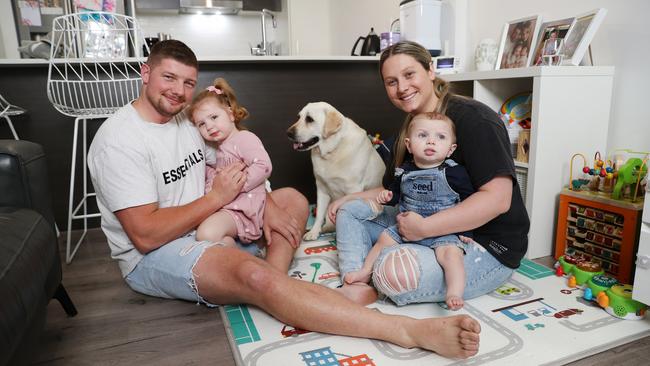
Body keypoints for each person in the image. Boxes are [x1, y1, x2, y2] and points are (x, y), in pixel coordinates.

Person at [87, 39, 481, 359]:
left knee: (291, 199)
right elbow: (145, 236)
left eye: (188, 83)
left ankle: (275, 286)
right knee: (252, 275)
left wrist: (268, 205)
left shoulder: (187, 122)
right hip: (159, 252)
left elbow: (240, 168)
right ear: (145, 73)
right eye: (168, 78)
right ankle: (407, 330)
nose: (178, 91)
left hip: (217, 220)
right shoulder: (120, 141)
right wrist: (219, 199)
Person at [329, 40, 530, 308]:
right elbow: (397, 189)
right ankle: (353, 283)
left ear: (430, 71)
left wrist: (424, 229)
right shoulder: (410, 130)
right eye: (391, 82)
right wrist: (350, 198)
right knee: (351, 211)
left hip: (480, 244)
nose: (402, 88)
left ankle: (389, 269)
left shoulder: (476, 119)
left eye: (409, 74)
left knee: (395, 272)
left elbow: (498, 199)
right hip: (417, 222)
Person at [344, 112, 474, 310]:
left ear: (451, 149)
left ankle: (454, 292)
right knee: (383, 241)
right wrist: (388, 197)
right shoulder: (404, 170)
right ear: (409, 144)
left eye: (440, 137)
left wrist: (466, 231)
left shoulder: (455, 173)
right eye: (423, 135)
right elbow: (397, 193)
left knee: (451, 256)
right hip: (405, 226)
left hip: (442, 229)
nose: (431, 141)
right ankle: (365, 271)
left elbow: (469, 202)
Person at [186, 77, 271, 251]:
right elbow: (218, 173)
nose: (209, 126)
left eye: (214, 117)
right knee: (206, 234)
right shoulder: (219, 149)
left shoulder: (244, 138)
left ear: (231, 114)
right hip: (229, 209)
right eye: (202, 124)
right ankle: (239, 257)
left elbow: (263, 165)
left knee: (205, 234)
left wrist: (237, 185)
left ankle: (241, 260)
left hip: (243, 211)